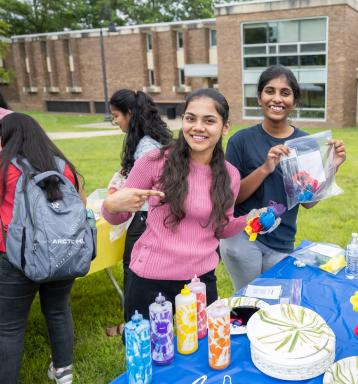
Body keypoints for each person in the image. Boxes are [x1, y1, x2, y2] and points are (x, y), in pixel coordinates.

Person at [102, 88, 246, 323]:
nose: (198, 127)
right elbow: (116, 216)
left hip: (200, 282)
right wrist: (111, 204)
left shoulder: (230, 175)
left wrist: (249, 222)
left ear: (225, 126)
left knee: (199, 352)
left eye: (209, 121)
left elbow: (221, 228)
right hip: (150, 281)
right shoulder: (153, 161)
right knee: (147, 355)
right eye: (191, 119)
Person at [220, 65, 346, 291]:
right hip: (242, 239)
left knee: (277, 302)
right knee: (248, 299)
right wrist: (266, 168)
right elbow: (232, 198)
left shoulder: (305, 144)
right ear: (259, 97)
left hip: (282, 241)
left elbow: (307, 201)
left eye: (285, 93)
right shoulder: (241, 141)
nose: (277, 98)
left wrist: (332, 168)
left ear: (294, 101)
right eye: (270, 91)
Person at [0, 113, 86, 384]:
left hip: (14, 257)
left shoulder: (5, 167)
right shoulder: (63, 166)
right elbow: (80, 203)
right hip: (63, 252)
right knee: (59, 311)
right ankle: (63, 372)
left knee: (10, 328)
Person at [106, 89, 172, 336]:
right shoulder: (149, 140)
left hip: (145, 218)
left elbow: (144, 189)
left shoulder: (146, 147)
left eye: (116, 116)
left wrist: (118, 193)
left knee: (135, 275)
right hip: (149, 216)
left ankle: (133, 328)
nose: (115, 121)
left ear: (130, 113)